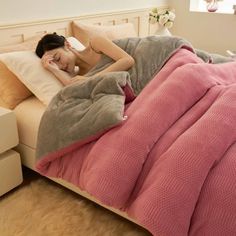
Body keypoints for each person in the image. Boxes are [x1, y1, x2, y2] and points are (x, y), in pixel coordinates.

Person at [35, 33, 135, 86]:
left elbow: (128, 60)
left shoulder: (95, 43)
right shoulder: (80, 76)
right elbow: (72, 87)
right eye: (56, 64)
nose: (61, 66)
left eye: (58, 58)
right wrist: (53, 69)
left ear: (67, 45)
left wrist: (91, 79)